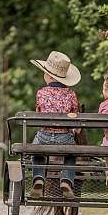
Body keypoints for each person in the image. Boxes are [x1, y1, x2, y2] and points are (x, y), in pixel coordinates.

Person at [29, 51, 81, 198]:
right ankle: (66, 180)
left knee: (36, 152)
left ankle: (38, 178)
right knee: (71, 155)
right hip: (64, 137)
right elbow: (74, 115)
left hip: (43, 136)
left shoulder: (40, 93)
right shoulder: (71, 94)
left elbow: (38, 114)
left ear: (49, 76)